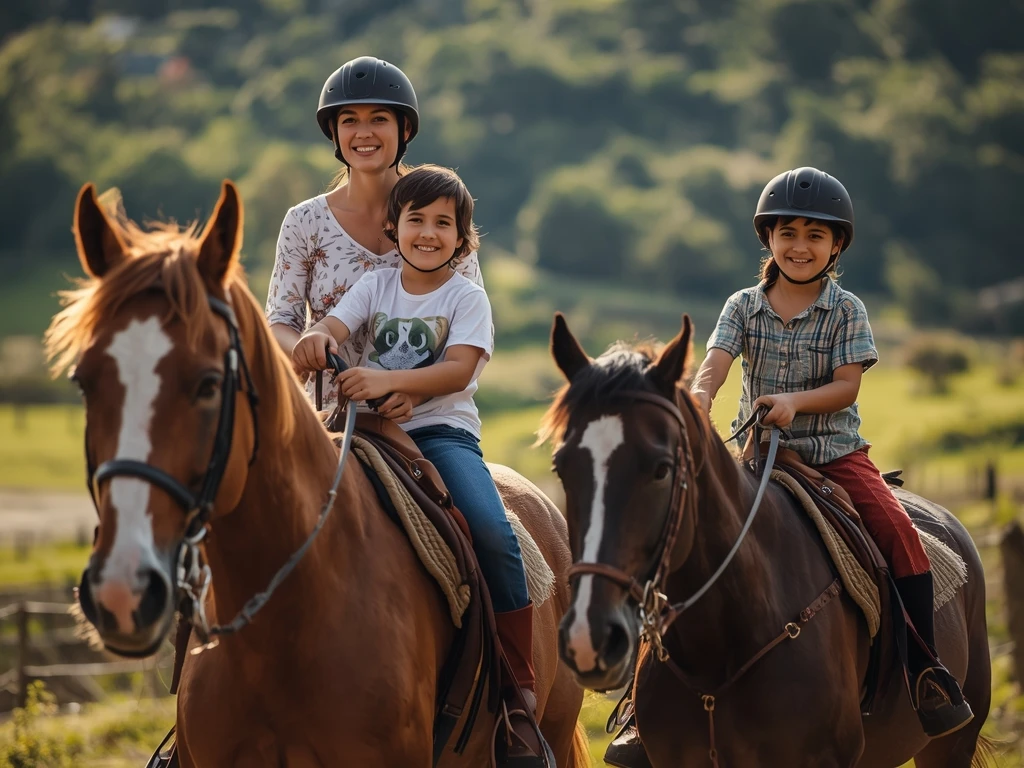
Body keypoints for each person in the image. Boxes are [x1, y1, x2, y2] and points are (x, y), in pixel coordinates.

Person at [605, 167, 973, 768]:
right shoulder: (743, 305)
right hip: (756, 458)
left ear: (836, 247)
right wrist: (697, 406)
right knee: (674, 545)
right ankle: (639, 706)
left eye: (815, 236)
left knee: (903, 540)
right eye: (788, 233)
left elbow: (848, 387)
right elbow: (715, 365)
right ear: (767, 239)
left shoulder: (845, 309)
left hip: (836, 457)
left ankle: (924, 673)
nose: (800, 246)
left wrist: (795, 402)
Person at [292, 164, 553, 768]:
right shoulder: (376, 286)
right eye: (417, 220)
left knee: (491, 528)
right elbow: (334, 324)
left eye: (444, 223)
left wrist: (388, 379)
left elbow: (458, 371)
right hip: (364, 428)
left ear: (463, 238)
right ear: (394, 227)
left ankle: (517, 684)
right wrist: (316, 339)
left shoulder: (466, 296)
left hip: (440, 434)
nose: (429, 233)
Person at [265, 55, 482, 415]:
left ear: (405, 130)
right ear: (334, 133)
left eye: (379, 119)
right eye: (349, 121)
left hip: (423, 415)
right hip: (328, 415)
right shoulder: (303, 222)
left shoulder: (441, 220)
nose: (363, 133)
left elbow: (470, 334)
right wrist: (311, 347)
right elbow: (280, 323)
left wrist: (412, 394)